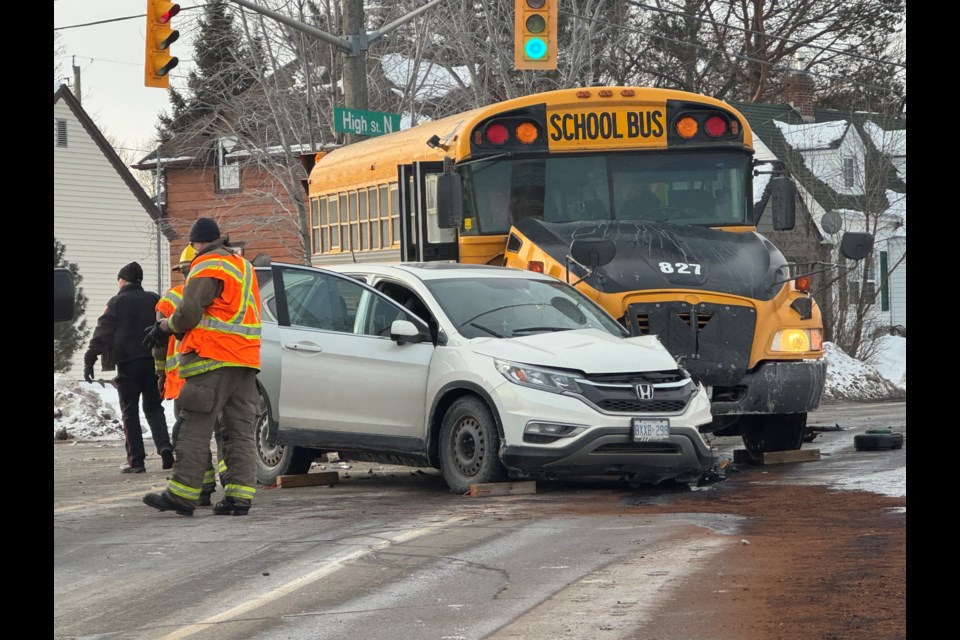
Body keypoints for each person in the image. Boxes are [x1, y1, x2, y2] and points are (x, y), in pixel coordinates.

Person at [142, 218, 262, 517]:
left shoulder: (208, 264)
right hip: (245, 359)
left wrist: (164, 327)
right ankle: (238, 498)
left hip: (212, 357)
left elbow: (188, 313)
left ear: (196, 244)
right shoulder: (242, 265)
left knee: (193, 425)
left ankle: (182, 495)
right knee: (239, 429)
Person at [149, 245, 223, 506]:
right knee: (223, 431)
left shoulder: (170, 299)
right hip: (218, 373)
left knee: (190, 434)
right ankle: (232, 483)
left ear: (182, 270)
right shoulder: (218, 296)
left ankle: (201, 488)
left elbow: (158, 343)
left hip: (184, 379)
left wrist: (159, 373)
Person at [84, 261, 173, 473]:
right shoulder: (154, 299)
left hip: (127, 365)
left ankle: (137, 461)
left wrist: (90, 357)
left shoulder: (116, 302)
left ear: (122, 280)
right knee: (153, 408)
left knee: (130, 412)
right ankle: (164, 447)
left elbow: (103, 331)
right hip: (152, 362)